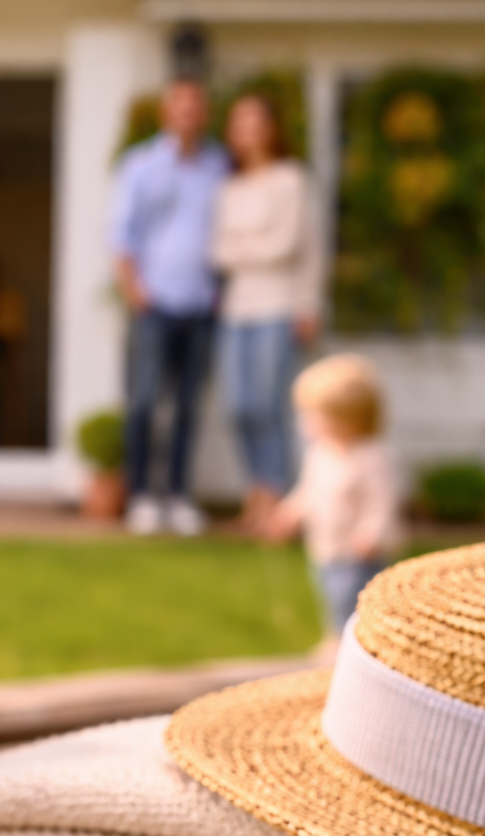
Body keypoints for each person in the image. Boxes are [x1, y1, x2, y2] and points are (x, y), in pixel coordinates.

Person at [111, 78, 228, 536]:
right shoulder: (140, 165)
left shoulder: (220, 166)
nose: (188, 117)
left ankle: (177, 497)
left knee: (186, 407)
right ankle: (142, 496)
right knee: (143, 403)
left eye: (196, 109)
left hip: (202, 304)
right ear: (167, 114)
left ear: (205, 116)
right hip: (154, 302)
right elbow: (121, 235)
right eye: (181, 109)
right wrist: (135, 290)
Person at [212, 93, 322, 533]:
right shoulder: (230, 187)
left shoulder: (291, 180)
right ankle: (255, 493)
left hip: (279, 307)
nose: (248, 131)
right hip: (236, 310)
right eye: (240, 122)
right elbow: (218, 252)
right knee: (238, 407)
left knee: (267, 406)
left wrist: (309, 303)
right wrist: (256, 244)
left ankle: (276, 502)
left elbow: (292, 246)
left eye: (256, 121)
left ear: (272, 128)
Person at [269, 353, 400, 643]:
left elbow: (380, 503)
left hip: (359, 552)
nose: (305, 422)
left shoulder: (372, 458)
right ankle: (334, 637)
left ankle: (349, 644)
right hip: (326, 546)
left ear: (348, 419)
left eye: (315, 416)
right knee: (331, 595)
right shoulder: (321, 453)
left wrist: (371, 533)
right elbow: (308, 490)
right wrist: (290, 513)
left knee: (353, 602)